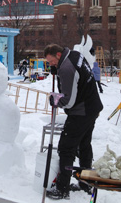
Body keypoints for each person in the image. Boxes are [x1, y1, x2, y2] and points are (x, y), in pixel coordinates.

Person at [44, 44, 103, 200]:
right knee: (84, 145)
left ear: (58, 54)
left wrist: (56, 100)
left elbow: (69, 101)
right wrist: (57, 73)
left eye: (52, 62)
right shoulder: (75, 55)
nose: (51, 65)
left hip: (81, 111)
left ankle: (62, 188)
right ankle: (85, 183)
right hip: (92, 107)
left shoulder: (66, 68)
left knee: (66, 148)